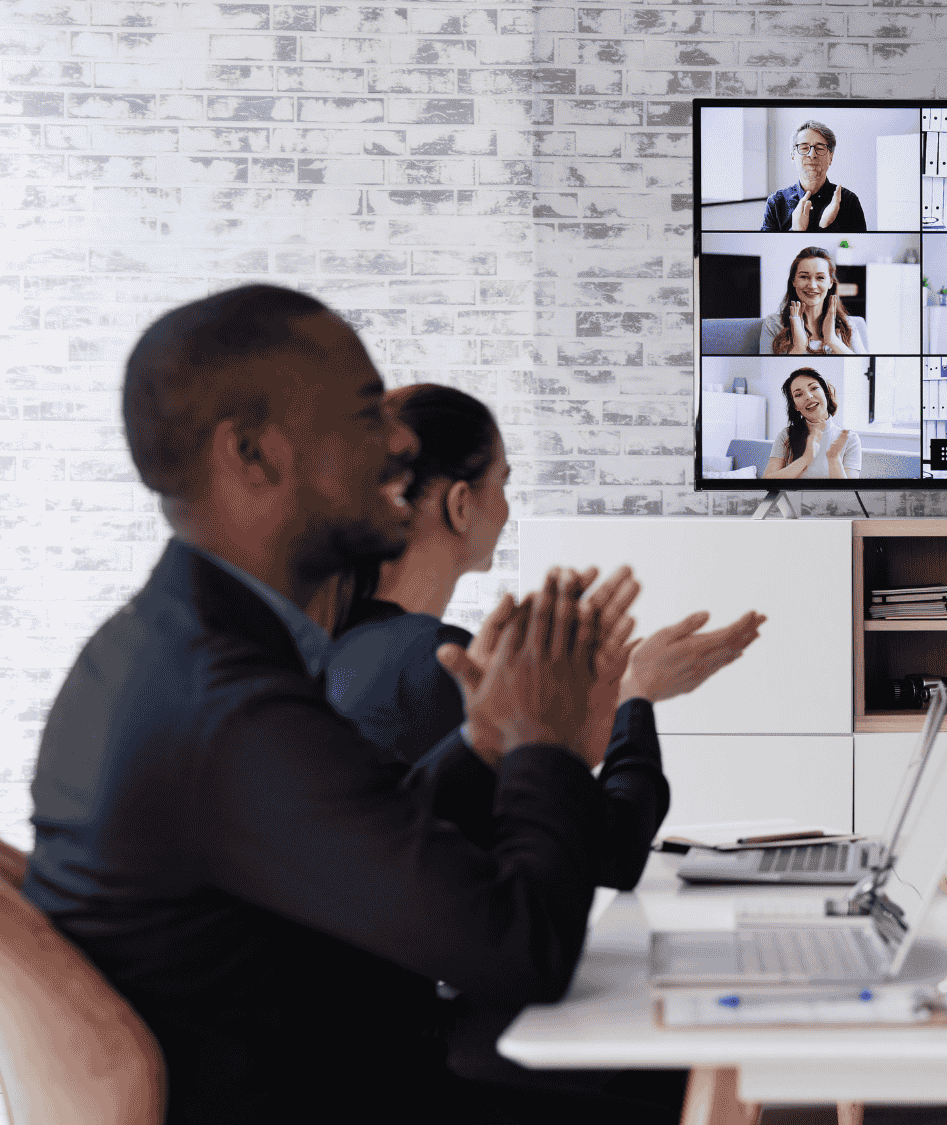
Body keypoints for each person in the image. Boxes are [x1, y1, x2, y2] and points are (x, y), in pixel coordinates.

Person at [22, 284, 637, 1123]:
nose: (400, 440)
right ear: (250, 453)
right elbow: (524, 949)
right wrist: (547, 743)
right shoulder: (224, 703)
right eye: (363, 414)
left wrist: (491, 744)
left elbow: (357, 840)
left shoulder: (180, 648)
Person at [324, 383, 763, 1100]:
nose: (507, 506)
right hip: (422, 1053)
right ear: (460, 504)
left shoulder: (341, 647)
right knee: (688, 1045)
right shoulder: (439, 666)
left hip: (366, 1033)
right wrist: (635, 697)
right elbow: (614, 851)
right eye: (503, 483)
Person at [759, 120, 867, 233]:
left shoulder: (848, 201)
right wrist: (795, 231)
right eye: (804, 148)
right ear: (792, 156)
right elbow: (769, 248)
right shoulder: (776, 203)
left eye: (820, 148)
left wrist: (826, 226)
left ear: (831, 157)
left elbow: (855, 247)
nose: (812, 154)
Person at [760, 245, 865, 355]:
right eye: (804, 277)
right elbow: (770, 370)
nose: (812, 285)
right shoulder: (773, 324)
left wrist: (832, 340)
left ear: (830, 283)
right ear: (793, 281)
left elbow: (861, 367)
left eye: (820, 278)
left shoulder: (847, 325)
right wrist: (798, 347)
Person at [765, 367, 861, 479]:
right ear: (795, 406)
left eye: (814, 388)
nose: (809, 396)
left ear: (826, 393)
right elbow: (767, 480)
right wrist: (806, 458)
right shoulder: (786, 435)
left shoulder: (850, 439)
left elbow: (848, 495)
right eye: (798, 394)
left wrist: (834, 460)